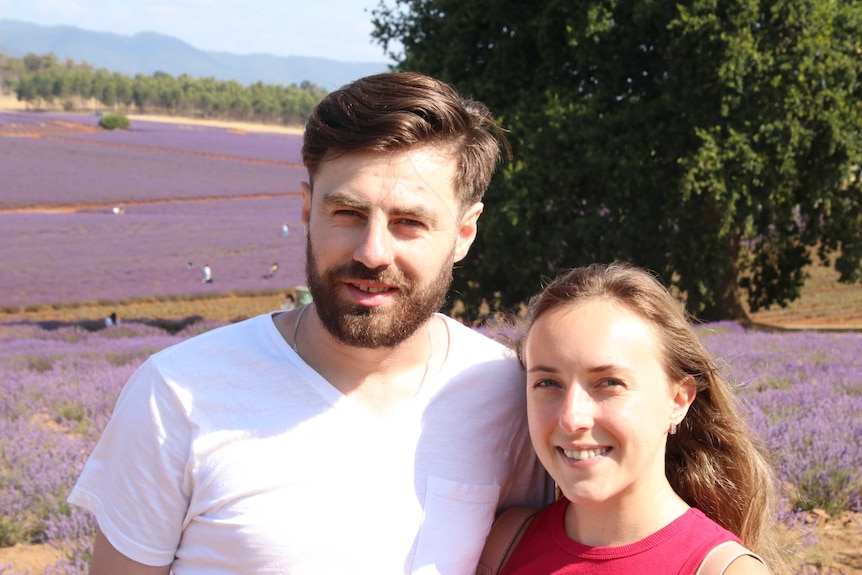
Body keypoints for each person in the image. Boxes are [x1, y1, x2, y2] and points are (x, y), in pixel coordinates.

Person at [69, 71, 553, 574]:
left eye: (410, 222)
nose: (372, 252)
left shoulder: (513, 397)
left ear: (464, 232)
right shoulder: (176, 394)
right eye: (347, 212)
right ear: (306, 210)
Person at [498, 262, 788, 575]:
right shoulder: (504, 545)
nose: (572, 417)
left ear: (678, 400)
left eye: (609, 383)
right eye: (548, 383)